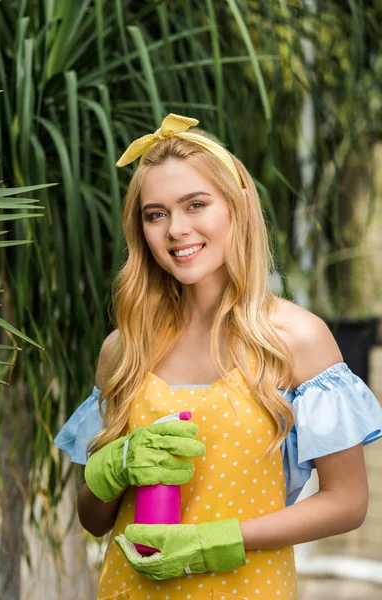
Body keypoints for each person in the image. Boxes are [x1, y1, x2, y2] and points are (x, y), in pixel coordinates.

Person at [54, 113, 382, 599]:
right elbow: (94, 519)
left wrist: (216, 541)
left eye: (196, 204)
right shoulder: (124, 349)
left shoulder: (294, 339)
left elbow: (347, 502)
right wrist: (113, 468)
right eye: (156, 214)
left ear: (236, 208)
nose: (176, 229)